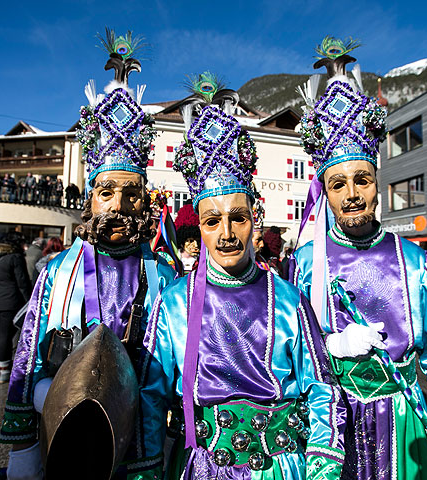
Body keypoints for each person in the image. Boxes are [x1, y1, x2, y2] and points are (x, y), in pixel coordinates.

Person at [289, 37, 427, 479]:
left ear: (377, 183)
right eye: (338, 184)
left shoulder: (412, 259)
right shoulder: (305, 261)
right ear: (326, 192)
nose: (353, 194)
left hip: (402, 427)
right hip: (331, 431)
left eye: (362, 180)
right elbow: (295, 353)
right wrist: (331, 348)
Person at [138, 72, 346, 479]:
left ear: (256, 220)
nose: (227, 233)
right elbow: (150, 396)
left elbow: (322, 389)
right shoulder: (176, 303)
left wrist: (323, 465)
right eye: (212, 221)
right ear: (198, 226)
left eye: (238, 218)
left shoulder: (288, 300)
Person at [0, 33, 175, 480]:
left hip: (144, 443)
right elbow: (26, 360)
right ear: (90, 198)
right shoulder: (58, 273)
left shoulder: (166, 275)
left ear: (146, 201)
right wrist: (25, 440)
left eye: (130, 194)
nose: (117, 206)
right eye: (106, 192)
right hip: (70, 442)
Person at [0, 230, 32, 383]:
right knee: (6, 336)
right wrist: (30, 300)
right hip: (11, 300)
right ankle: (5, 370)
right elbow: (22, 282)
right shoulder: (15, 257)